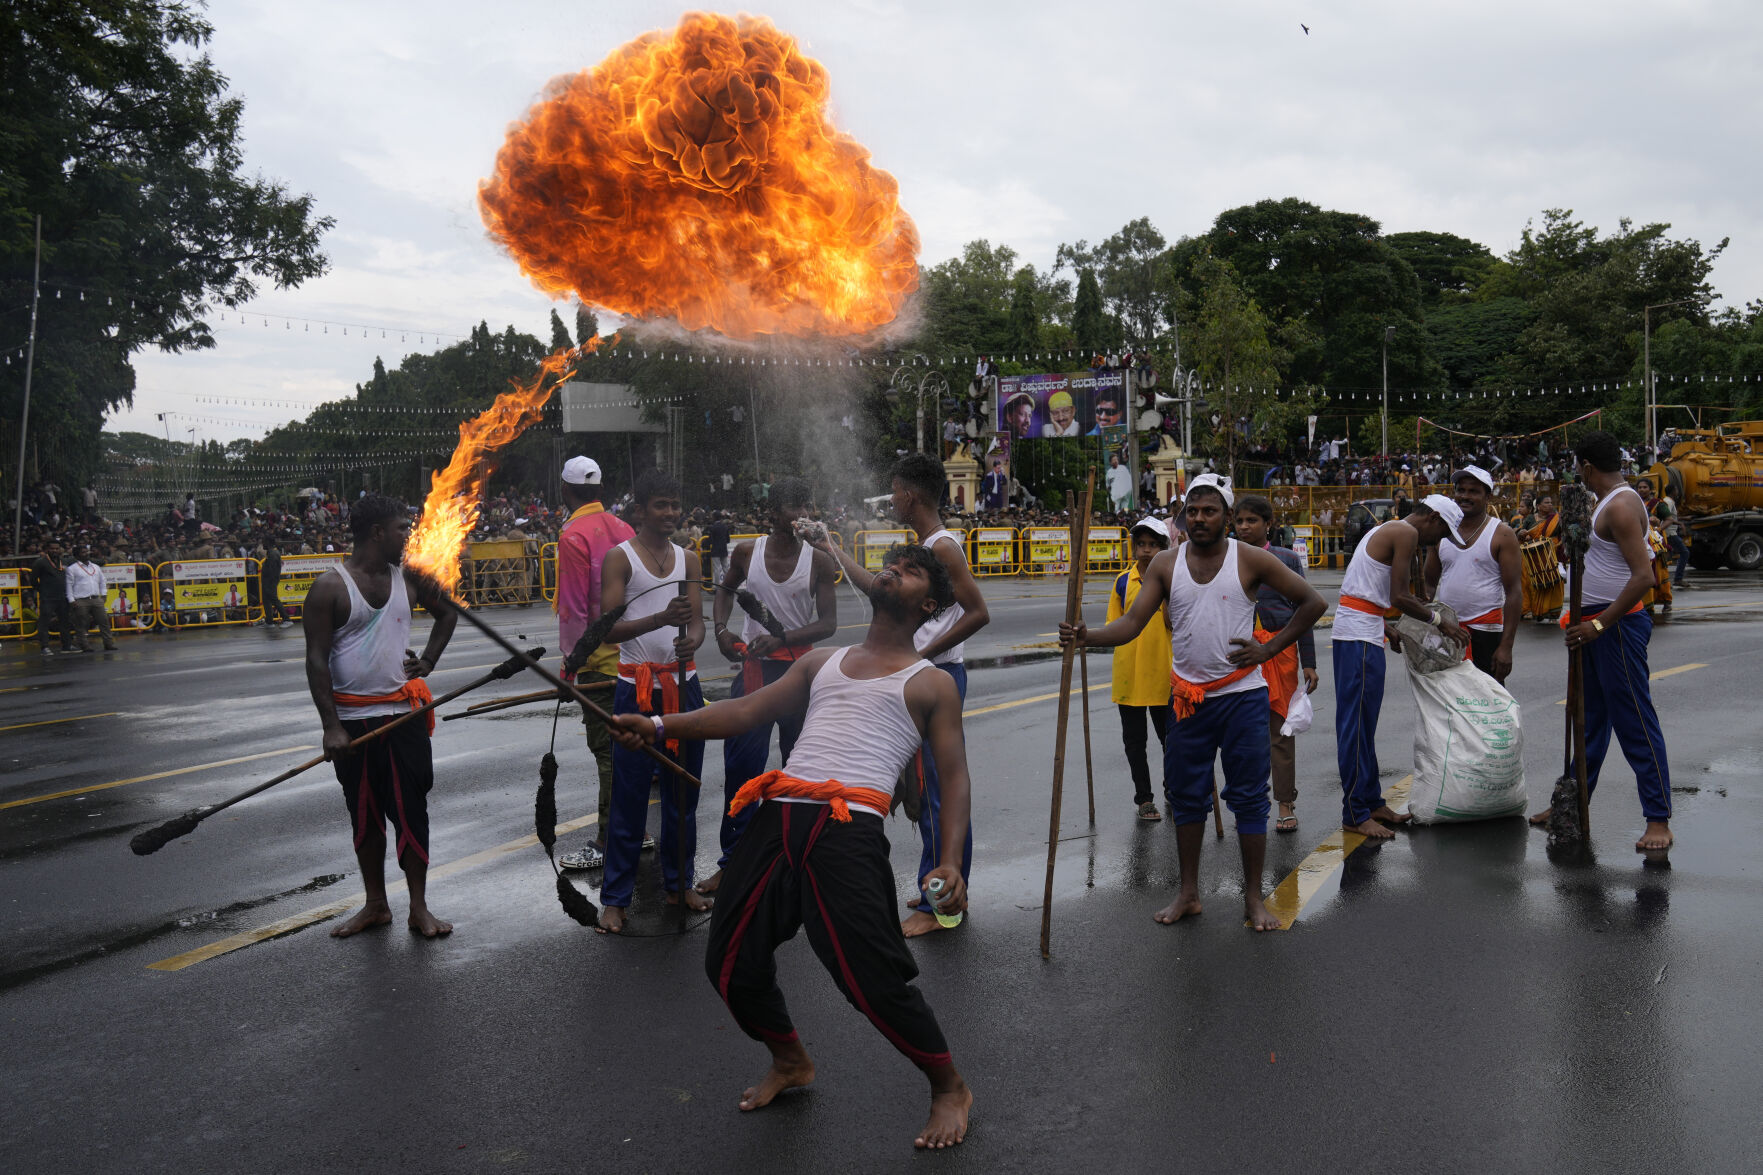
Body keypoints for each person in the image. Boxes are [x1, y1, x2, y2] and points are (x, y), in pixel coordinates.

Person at [608, 544, 972, 1149]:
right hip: (778, 818)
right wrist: (660, 726)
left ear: (927, 604)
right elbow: (747, 709)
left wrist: (951, 860)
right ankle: (790, 1059)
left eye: (909, 571)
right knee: (728, 961)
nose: (892, 570)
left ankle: (949, 1087)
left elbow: (953, 775)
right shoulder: (822, 663)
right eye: (892, 564)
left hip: (848, 829)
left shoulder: (929, 682)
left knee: (870, 980)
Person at [1061, 474, 1325, 930]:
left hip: (1243, 697)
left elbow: (1312, 603)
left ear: (1225, 517)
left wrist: (1270, 649)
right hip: (1188, 700)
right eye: (1193, 512)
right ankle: (1188, 893)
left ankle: (1252, 898)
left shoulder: (1252, 559)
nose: (1200, 519)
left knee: (1248, 799)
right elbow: (1133, 623)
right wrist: (1088, 637)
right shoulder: (1166, 563)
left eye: (1209, 511)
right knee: (1186, 797)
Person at [814, 452, 989, 937]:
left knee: (938, 791)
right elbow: (878, 587)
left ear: (910, 496)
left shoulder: (944, 547)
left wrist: (925, 656)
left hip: (938, 680)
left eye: (894, 492)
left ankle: (943, 904)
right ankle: (937, 883)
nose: (891, 500)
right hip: (925, 678)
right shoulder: (925, 545)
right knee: (923, 788)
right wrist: (834, 549)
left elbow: (978, 612)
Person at [301, 493, 459, 939]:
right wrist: (331, 726)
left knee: (411, 812)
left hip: (402, 718)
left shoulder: (411, 578)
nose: (407, 538)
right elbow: (316, 660)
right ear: (376, 533)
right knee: (365, 814)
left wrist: (427, 661)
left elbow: (447, 615)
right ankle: (376, 905)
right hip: (353, 724)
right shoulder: (330, 588)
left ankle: (419, 908)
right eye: (400, 530)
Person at [1530, 432, 1675, 852]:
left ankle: (1658, 818)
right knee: (1588, 721)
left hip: (1615, 627)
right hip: (1589, 624)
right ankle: (1570, 807)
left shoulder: (1624, 506)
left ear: (1587, 466)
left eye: (1578, 467)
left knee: (1634, 721)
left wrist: (1600, 625)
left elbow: (1643, 578)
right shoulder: (1603, 504)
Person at [700, 476, 838, 895]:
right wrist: (722, 631)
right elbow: (723, 592)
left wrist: (782, 638)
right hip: (755, 675)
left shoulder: (819, 560)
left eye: (805, 508)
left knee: (799, 769)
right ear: (772, 514)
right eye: (791, 508)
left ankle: (796, 858)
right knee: (742, 768)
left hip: (801, 676)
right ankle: (732, 862)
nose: (800, 516)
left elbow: (828, 624)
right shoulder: (747, 552)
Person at [596, 469, 710, 934]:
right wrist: (660, 619)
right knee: (630, 797)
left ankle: (679, 883)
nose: (670, 514)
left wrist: (693, 641)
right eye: (661, 505)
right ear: (640, 510)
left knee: (684, 792)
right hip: (635, 688)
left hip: (684, 687)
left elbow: (697, 623)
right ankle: (616, 900)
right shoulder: (619, 558)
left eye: (675, 505)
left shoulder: (689, 560)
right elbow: (607, 626)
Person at [1333, 495, 1469, 839]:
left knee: (1364, 726)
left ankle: (1371, 801)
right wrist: (1441, 622)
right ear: (1433, 517)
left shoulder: (1389, 528)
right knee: (1356, 728)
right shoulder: (1405, 532)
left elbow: (1363, 592)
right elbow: (1399, 597)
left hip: (1365, 629)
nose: (1437, 542)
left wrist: (1388, 629)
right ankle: (1354, 813)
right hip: (1357, 638)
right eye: (1441, 533)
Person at [553, 456, 637, 873]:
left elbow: (572, 609)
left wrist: (570, 667)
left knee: (607, 752)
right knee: (630, 750)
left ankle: (608, 840)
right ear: (599, 489)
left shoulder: (572, 536)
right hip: (633, 657)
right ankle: (631, 830)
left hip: (599, 661)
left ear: (566, 491)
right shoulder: (625, 529)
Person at [1231, 496, 1318, 834]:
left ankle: (1285, 803)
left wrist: (1308, 662)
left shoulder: (1286, 559)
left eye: (1251, 520)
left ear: (1268, 524)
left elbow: (1305, 611)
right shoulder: (1227, 559)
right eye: (1239, 521)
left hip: (1281, 654)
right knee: (1242, 735)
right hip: (1240, 653)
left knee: (1280, 732)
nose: (1244, 527)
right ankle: (1248, 804)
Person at [1424, 465, 1523, 682]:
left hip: (1486, 631)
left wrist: (1506, 646)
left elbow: (1514, 593)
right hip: (1447, 630)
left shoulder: (1502, 534)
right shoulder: (1441, 532)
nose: (1465, 497)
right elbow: (1429, 586)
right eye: (1461, 490)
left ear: (1487, 496)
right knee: (1451, 702)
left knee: (1487, 706)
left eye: (1473, 491)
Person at [1107, 517, 1172, 821]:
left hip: (1164, 673)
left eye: (1153, 545)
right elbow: (1113, 625)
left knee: (1171, 739)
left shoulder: (1174, 579)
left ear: (1163, 548)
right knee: (1135, 742)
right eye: (1141, 545)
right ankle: (1144, 799)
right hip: (1129, 673)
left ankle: (1173, 788)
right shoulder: (1123, 581)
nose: (1146, 551)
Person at [64, 547, 116, 652]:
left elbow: (102, 581)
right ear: (77, 556)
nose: (86, 553)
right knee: (81, 623)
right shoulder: (72, 568)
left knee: (104, 621)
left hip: (96, 598)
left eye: (86, 551)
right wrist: (71, 600)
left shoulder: (96, 567)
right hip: (81, 599)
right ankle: (84, 645)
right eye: (83, 552)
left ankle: (108, 643)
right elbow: (69, 585)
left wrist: (104, 594)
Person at [30, 540, 72, 655]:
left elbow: (79, 560)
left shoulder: (63, 561)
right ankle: (44, 647)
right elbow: (33, 580)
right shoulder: (40, 562)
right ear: (47, 550)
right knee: (44, 622)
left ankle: (66, 645)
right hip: (48, 598)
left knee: (64, 621)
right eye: (52, 549)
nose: (55, 551)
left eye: (57, 548)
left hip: (62, 597)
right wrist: (42, 590)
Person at [260, 538, 289, 627]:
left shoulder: (273, 554)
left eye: (264, 542)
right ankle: (269, 621)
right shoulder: (270, 552)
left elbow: (272, 570)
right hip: (267, 581)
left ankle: (287, 619)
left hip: (270, 581)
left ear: (268, 543)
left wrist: (270, 581)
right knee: (266, 600)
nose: (263, 544)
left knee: (274, 599)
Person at [706, 511, 735, 587]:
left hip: (715, 550)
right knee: (726, 568)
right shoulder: (725, 527)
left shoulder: (713, 527)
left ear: (714, 517)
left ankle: (716, 586)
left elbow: (710, 540)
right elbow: (728, 540)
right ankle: (730, 584)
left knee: (716, 569)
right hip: (723, 549)